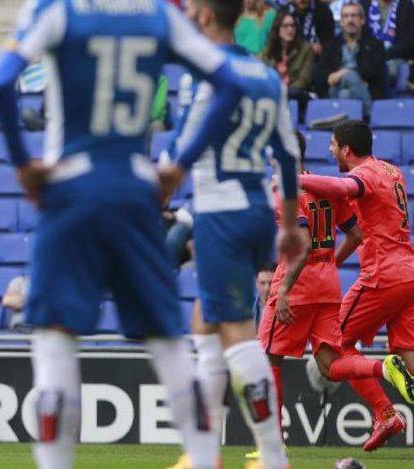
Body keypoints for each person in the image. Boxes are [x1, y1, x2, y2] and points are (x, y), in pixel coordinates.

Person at [0, 0, 263, 467]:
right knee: (170, 343)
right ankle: (203, 458)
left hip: (70, 187)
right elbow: (230, 81)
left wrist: (22, 164)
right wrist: (178, 166)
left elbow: (1, 80)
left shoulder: (56, 9)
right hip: (136, 190)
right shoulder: (159, 13)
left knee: (55, 338)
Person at [159, 0, 307, 466]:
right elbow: (287, 156)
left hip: (219, 211)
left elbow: (183, 144)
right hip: (256, 211)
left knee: (239, 334)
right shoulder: (267, 78)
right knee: (205, 324)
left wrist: (155, 196)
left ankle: (271, 453)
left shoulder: (205, 72)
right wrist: (286, 225)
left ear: (204, 15)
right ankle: (203, 452)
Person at [295, 120, 414, 451]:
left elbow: (348, 189)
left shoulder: (365, 176)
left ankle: (385, 412)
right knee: (408, 351)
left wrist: (300, 180)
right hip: (409, 272)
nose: (330, 150)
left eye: (332, 145)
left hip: (382, 275)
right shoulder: (392, 171)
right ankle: (386, 409)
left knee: (333, 348)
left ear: (346, 149)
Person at [248, 130, 364, 459]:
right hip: (327, 285)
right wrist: (330, 264)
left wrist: (283, 290)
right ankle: (382, 371)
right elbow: (356, 234)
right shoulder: (325, 187)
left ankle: (273, 447)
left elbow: (302, 244)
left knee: (268, 358)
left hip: (295, 285)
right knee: (330, 364)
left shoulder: (285, 190)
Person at [315, 2, 386, 113]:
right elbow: (321, 75)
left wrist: (344, 73)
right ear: (341, 22)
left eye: (354, 16)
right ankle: (371, 113)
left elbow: (372, 73)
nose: (350, 20)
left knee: (346, 90)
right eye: (346, 16)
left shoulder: (374, 44)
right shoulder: (332, 45)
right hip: (337, 91)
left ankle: (336, 118)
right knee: (343, 91)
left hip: (366, 93)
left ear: (362, 20)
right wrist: (332, 78)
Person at [262, 10, 314, 107]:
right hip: (273, 95)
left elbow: (304, 80)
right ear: (277, 29)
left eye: (293, 26)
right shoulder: (268, 51)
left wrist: (284, 93)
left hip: (296, 94)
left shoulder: (306, 49)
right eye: (285, 26)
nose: (290, 30)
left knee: (294, 92)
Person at [359, 0, 414, 86]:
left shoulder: (405, 5)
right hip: (367, 55)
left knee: (390, 69)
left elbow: (409, 42)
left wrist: (384, 54)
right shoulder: (364, 4)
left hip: (395, 56)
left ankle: (388, 98)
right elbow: (359, 36)